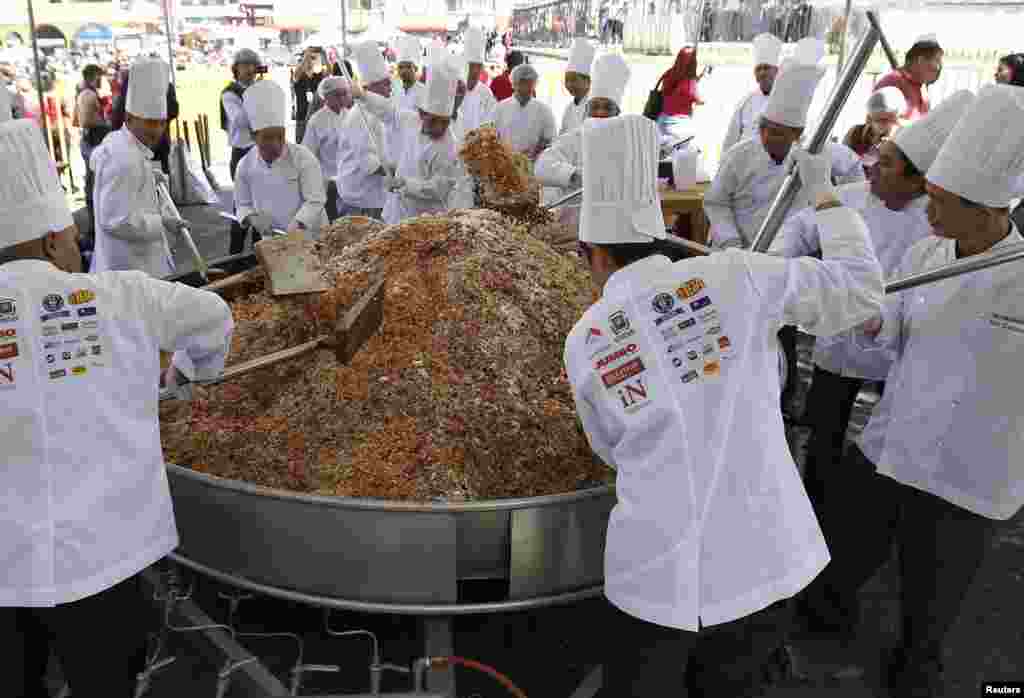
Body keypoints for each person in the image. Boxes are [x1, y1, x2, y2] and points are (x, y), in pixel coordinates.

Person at [565, 114, 883, 697]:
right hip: (762, 561)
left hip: (653, 575)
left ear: (591, 251)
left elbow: (608, 448)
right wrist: (828, 201)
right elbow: (860, 290)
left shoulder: (585, 340)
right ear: (660, 236)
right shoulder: (738, 276)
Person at [796, 84, 1024, 698]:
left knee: (931, 601)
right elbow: (888, 327)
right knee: (840, 553)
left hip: (968, 477)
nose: (928, 208)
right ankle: (820, 632)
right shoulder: (928, 252)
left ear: (987, 210)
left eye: (941, 200)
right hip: (891, 447)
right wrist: (864, 315)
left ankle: (914, 671)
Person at [0, 117, 234, 698]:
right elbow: (213, 317)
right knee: (105, 682)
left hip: (5, 566)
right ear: (56, 238)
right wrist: (188, 374)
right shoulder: (122, 294)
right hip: (106, 554)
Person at [771, 92, 973, 589]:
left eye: (885, 163)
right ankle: (812, 525)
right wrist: (781, 267)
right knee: (823, 434)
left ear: (918, 182)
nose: (872, 169)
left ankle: (868, 541)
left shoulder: (941, 226)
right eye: (875, 158)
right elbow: (800, 227)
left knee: (886, 445)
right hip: (843, 341)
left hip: (900, 353)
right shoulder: (854, 196)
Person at [704, 51, 865, 250]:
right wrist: (732, 243)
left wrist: (842, 205)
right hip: (739, 251)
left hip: (791, 258)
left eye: (778, 133)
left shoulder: (814, 155)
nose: (767, 137)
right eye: (763, 129)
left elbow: (853, 168)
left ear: (797, 135)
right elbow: (716, 203)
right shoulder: (739, 157)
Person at [90, 59, 187, 278]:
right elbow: (117, 220)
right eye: (150, 122)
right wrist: (161, 223)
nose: (158, 130)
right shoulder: (124, 157)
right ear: (130, 118)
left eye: (162, 123)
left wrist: (148, 175)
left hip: (134, 267)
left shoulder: (121, 144)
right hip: (131, 270)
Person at [351, 60, 460, 224]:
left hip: (425, 219)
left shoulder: (448, 146)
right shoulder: (411, 120)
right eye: (435, 121)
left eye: (445, 122)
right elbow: (389, 112)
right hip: (396, 212)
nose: (440, 127)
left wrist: (405, 185)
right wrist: (364, 96)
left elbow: (439, 189)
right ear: (422, 114)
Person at [536, 52, 630, 228]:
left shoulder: (628, 140)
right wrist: (574, 175)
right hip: (574, 226)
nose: (600, 112)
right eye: (595, 106)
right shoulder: (575, 138)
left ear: (617, 113)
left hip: (614, 226)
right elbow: (542, 167)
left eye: (607, 107)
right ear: (587, 111)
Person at [235, 80, 327, 240]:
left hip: (311, 237)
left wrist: (298, 224)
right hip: (273, 240)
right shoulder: (245, 166)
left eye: (280, 136)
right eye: (268, 138)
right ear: (253, 136)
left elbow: (315, 200)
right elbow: (242, 204)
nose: (276, 144)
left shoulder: (303, 158)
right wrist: (252, 218)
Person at [336, 41, 392, 221]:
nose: (390, 89)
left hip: (376, 194)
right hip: (360, 197)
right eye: (385, 85)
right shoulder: (359, 116)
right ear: (369, 89)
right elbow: (368, 162)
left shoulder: (378, 112)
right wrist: (398, 170)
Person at [222, 48, 263, 253]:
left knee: (263, 204)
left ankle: (259, 253)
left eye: (252, 65)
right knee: (242, 206)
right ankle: (235, 255)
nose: (249, 69)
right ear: (236, 68)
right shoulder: (230, 93)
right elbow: (239, 121)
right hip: (241, 152)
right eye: (244, 65)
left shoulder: (259, 88)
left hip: (261, 150)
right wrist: (256, 98)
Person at [301, 76, 352, 223]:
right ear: (326, 97)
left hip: (348, 179)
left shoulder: (349, 115)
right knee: (331, 222)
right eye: (338, 94)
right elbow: (308, 154)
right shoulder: (316, 120)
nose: (342, 98)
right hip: (327, 182)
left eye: (345, 93)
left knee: (347, 223)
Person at [721, 32, 782, 154]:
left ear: (776, 71)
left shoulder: (787, 100)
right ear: (754, 74)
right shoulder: (745, 102)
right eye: (758, 69)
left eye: (766, 68)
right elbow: (730, 141)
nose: (762, 73)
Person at [111, 68, 179, 176]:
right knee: (156, 184)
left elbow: (116, 118)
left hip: (132, 151)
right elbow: (172, 111)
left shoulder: (129, 85)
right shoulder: (160, 86)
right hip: (152, 150)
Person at [75, 64, 111, 239]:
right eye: (99, 76)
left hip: (91, 140)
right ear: (93, 76)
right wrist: (106, 126)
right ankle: (95, 227)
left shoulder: (84, 93)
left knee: (94, 184)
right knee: (95, 185)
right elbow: (87, 121)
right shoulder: (88, 94)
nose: (101, 79)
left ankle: (95, 226)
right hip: (93, 142)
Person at [493, 63, 556, 162]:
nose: (525, 88)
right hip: (504, 164)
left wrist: (535, 152)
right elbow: (491, 136)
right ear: (513, 84)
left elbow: (549, 139)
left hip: (533, 165)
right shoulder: (500, 108)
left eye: (529, 83)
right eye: (521, 83)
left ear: (534, 85)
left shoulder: (544, 110)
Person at [874, 33, 943, 120]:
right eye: (937, 61)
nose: (939, 68)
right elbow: (879, 125)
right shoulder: (890, 83)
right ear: (921, 61)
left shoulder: (922, 88)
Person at [842, 87, 906, 170]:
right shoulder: (855, 133)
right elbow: (842, 164)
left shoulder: (905, 137)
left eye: (894, 120)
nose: (890, 125)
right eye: (881, 120)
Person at [655, 45, 707, 146]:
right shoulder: (689, 83)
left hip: (660, 123)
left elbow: (680, 87)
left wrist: (698, 78)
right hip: (678, 128)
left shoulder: (669, 74)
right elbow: (701, 101)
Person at [459, 27, 498, 132]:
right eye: (471, 66)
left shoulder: (486, 93)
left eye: (478, 66)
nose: (475, 71)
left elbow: (491, 122)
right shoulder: (454, 89)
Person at [560, 38, 597, 135]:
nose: (569, 84)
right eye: (566, 80)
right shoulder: (569, 110)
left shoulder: (596, 107)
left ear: (588, 81)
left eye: (573, 80)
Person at [293, 47, 327, 144]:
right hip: (302, 118)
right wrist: (306, 56)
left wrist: (325, 57)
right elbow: (296, 74)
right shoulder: (299, 78)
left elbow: (329, 74)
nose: (310, 61)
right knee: (301, 146)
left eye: (313, 59)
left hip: (317, 118)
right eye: (309, 59)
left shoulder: (318, 76)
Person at [393, 35, 426, 112]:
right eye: (400, 67)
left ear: (415, 68)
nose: (404, 71)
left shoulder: (424, 92)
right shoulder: (394, 90)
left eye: (408, 67)